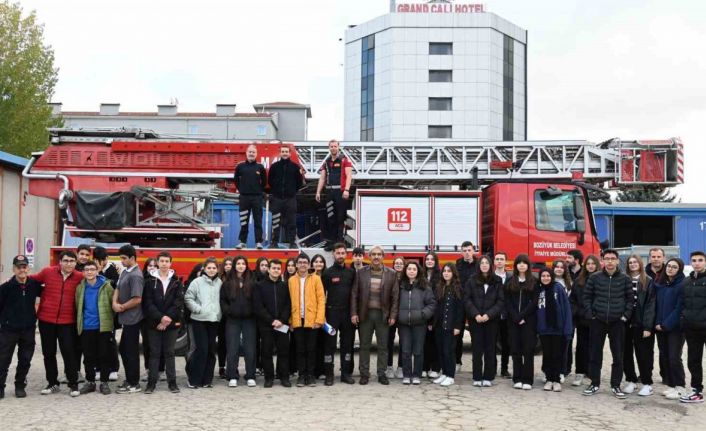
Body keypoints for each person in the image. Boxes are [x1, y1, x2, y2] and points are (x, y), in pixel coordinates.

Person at [582, 248, 633, 399]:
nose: (610, 261)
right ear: (602, 261)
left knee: (618, 355)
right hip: (598, 321)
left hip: (617, 322)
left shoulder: (625, 278)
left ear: (617, 261)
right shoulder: (595, 277)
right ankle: (594, 383)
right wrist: (591, 314)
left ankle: (616, 385)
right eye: (607, 258)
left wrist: (625, 316)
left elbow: (630, 300)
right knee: (595, 354)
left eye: (613, 258)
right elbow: (587, 297)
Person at [32, 250, 83, 397]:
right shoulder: (47, 272)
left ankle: (73, 384)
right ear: (59, 262)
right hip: (46, 320)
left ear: (75, 263)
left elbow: (95, 280)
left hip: (68, 322)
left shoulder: (80, 277)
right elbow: (30, 279)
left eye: (72, 261)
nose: (68, 264)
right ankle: (52, 383)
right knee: (48, 353)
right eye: (65, 261)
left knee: (69, 352)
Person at [351, 246, 399, 385]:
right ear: (369, 256)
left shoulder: (391, 273)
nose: (376, 257)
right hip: (365, 314)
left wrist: (393, 315)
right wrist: (354, 313)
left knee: (383, 346)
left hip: (383, 315)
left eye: (379, 254)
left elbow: (395, 297)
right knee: (364, 345)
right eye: (373, 254)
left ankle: (381, 373)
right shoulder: (361, 273)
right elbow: (354, 294)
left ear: (383, 257)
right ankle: (364, 374)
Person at [0, 255, 43, 399]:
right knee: (3, 360)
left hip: (28, 329)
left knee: (25, 359)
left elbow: (48, 292)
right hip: (8, 329)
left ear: (28, 268)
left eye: (24, 266)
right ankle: (1, 387)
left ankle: (20, 385)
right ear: (14, 269)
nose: (22, 269)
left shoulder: (34, 285)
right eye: (19, 267)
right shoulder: (5, 287)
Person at [142, 251, 184, 394]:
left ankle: (172, 383)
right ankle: (151, 384)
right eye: (162, 261)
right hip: (154, 323)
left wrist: (166, 319)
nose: (164, 264)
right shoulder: (149, 281)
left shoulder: (176, 281)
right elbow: (148, 303)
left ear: (170, 263)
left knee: (169, 353)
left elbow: (178, 302)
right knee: (154, 353)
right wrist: (160, 318)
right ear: (158, 262)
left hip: (171, 324)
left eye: (167, 261)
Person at [75, 260, 115, 396]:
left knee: (104, 355)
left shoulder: (107, 286)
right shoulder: (80, 287)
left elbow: (112, 305)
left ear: (97, 271)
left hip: (103, 327)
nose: (90, 272)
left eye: (92, 269)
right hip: (86, 327)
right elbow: (77, 305)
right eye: (87, 270)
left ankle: (104, 382)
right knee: (88, 356)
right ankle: (90, 382)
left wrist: (109, 321)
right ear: (83, 272)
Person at [464, 255, 504, 387]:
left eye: (487, 263)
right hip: (476, 320)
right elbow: (467, 299)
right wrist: (476, 314)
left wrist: (489, 315)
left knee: (490, 349)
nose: (485, 265)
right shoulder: (471, 280)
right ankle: (477, 376)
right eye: (482, 263)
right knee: (477, 348)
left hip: (491, 321)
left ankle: (488, 376)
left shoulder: (497, 281)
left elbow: (500, 301)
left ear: (491, 265)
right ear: (479, 265)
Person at [288, 253, 326, 387]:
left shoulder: (315, 279)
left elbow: (321, 300)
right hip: (297, 319)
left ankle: (310, 376)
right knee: (300, 349)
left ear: (309, 264)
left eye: (305, 262)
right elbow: (288, 301)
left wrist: (319, 319)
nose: (303, 264)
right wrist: (290, 321)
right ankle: (301, 375)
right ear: (296, 264)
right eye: (300, 262)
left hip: (312, 320)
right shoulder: (291, 280)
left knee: (311, 349)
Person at [184, 257, 222, 389]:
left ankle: (207, 380)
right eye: (209, 268)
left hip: (214, 320)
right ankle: (194, 379)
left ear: (217, 269)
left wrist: (219, 314)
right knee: (201, 350)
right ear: (204, 269)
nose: (211, 270)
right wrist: (197, 309)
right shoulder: (197, 282)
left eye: (214, 268)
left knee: (211, 351)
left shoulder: (219, 283)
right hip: (199, 320)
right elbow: (188, 298)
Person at [253, 259, 292, 388]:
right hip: (266, 325)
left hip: (282, 325)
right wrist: (271, 321)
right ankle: (269, 378)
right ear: (268, 269)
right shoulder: (259, 285)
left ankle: (283, 377)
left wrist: (281, 320)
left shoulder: (285, 285)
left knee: (284, 352)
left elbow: (288, 305)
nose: (276, 270)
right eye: (273, 268)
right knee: (266, 352)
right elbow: (258, 306)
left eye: (278, 268)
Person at [321, 243, 356, 385]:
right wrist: (322, 315)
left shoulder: (351, 273)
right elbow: (321, 295)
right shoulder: (327, 273)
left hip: (347, 313)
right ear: (333, 254)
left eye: (343, 253)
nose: (340, 255)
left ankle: (346, 373)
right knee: (329, 344)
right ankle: (329, 374)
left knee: (347, 344)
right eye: (338, 253)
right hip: (331, 313)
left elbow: (355, 294)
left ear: (346, 254)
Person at [221, 256, 257, 388]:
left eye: (243, 263)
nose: (241, 266)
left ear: (246, 265)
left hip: (249, 320)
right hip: (232, 320)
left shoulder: (252, 282)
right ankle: (232, 376)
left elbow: (256, 300)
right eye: (238, 263)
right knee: (232, 348)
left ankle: (250, 375)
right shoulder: (227, 283)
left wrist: (252, 311)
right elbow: (223, 301)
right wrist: (229, 311)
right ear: (234, 266)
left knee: (250, 349)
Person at [112, 244, 144, 394]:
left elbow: (137, 299)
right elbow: (117, 288)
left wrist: (122, 307)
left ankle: (134, 382)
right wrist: (114, 302)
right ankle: (130, 379)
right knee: (124, 349)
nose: (122, 261)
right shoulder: (125, 272)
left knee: (130, 351)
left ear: (132, 258)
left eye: (124, 258)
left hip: (133, 319)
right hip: (125, 318)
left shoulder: (136, 275)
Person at [397, 261, 435, 385]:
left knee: (418, 351)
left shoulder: (425, 286)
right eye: (409, 269)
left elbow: (432, 303)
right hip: (404, 324)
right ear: (405, 271)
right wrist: (398, 315)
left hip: (419, 324)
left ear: (418, 271)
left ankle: (417, 375)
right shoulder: (400, 286)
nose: (412, 271)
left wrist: (423, 314)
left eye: (414, 269)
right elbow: (394, 302)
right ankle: (407, 375)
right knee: (406, 350)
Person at [623, 254, 656, 397]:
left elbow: (651, 305)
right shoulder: (624, 279)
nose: (633, 264)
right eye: (630, 262)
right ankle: (631, 380)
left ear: (640, 264)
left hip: (641, 323)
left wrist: (648, 327)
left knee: (643, 354)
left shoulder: (648, 281)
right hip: (625, 322)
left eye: (635, 262)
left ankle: (647, 383)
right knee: (626, 353)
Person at [536, 267, 573, 392]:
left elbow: (566, 309)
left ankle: (556, 380)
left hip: (558, 329)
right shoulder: (538, 290)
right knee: (547, 355)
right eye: (543, 276)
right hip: (544, 329)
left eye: (548, 276)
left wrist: (567, 329)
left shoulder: (558, 288)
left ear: (551, 277)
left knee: (557, 354)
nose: (545, 278)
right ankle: (549, 379)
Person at [654, 257, 686, 401]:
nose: (670, 269)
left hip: (675, 329)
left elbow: (679, 309)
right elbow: (657, 306)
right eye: (668, 266)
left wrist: (666, 324)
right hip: (660, 328)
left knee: (674, 358)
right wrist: (657, 323)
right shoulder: (661, 284)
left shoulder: (682, 285)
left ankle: (680, 387)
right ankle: (672, 386)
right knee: (665, 356)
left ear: (679, 270)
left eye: (674, 267)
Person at [504, 254, 536, 390]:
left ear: (528, 265)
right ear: (515, 265)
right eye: (519, 263)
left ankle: (528, 379)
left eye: (524, 263)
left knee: (528, 351)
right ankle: (517, 378)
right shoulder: (510, 281)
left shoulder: (534, 281)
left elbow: (534, 302)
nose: (522, 265)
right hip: (513, 321)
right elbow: (507, 301)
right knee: (515, 350)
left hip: (528, 321)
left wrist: (523, 316)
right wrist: (516, 317)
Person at [315, 139, 353, 249]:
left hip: (340, 192)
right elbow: (322, 178)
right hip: (329, 192)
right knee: (330, 217)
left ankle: (340, 242)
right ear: (329, 148)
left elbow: (349, 175)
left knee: (340, 218)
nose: (333, 148)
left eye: (335, 146)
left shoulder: (344, 160)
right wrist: (318, 192)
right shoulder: (326, 162)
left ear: (338, 147)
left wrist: (346, 190)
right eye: (331, 146)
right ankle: (332, 242)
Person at [570, 254, 600, 387]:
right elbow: (573, 300)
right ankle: (580, 372)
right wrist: (579, 312)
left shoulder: (602, 280)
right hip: (583, 319)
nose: (591, 266)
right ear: (584, 265)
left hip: (598, 319)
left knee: (595, 347)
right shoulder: (579, 281)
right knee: (581, 347)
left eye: (593, 263)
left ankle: (593, 372)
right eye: (588, 264)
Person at [680, 251, 706, 403]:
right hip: (691, 328)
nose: (697, 263)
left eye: (700, 260)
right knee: (693, 360)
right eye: (694, 260)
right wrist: (684, 318)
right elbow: (682, 303)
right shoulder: (687, 281)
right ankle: (697, 390)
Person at [268, 145, 305, 248]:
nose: (284, 153)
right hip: (277, 198)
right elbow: (270, 181)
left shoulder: (295, 167)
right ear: (280, 153)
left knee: (291, 222)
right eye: (283, 151)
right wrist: (276, 191)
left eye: (286, 151)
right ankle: (274, 243)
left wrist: (292, 191)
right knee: (276, 221)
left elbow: (299, 183)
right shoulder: (274, 166)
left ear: (289, 153)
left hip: (290, 199)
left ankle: (292, 243)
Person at [433, 263, 463, 387]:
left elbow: (460, 309)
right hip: (439, 325)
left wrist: (457, 326)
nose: (446, 273)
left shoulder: (458, 288)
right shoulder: (439, 287)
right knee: (441, 350)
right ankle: (444, 373)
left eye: (449, 271)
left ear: (453, 273)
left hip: (451, 326)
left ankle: (450, 376)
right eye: (444, 271)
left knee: (449, 351)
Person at [234, 144, 267, 249]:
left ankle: (258, 242)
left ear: (256, 154)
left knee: (258, 221)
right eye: (250, 152)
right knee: (244, 221)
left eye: (253, 152)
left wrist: (258, 191)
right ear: (246, 153)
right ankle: (242, 242)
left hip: (257, 198)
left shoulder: (260, 167)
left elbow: (264, 182)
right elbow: (236, 180)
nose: (251, 154)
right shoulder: (240, 166)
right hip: (244, 198)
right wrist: (242, 190)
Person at [455, 241, 477, 372]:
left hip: (474, 304)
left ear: (473, 251)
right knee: (458, 334)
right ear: (461, 252)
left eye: (469, 250)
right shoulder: (458, 264)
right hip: (460, 304)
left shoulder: (480, 264)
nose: (467, 252)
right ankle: (457, 361)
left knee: (476, 335)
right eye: (465, 250)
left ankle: (476, 363)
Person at [140, 258, 162, 378]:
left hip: (159, 318)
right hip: (145, 319)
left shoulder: (161, 281)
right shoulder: (142, 280)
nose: (152, 267)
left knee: (161, 345)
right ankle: (148, 369)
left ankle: (161, 370)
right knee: (147, 345)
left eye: (154, 266)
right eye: (149, 265)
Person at [552, 259, 572, 383]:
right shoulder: (547, 280)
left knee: (564, 348)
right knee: (549, 349)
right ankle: (548, 372)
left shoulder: (569, 284)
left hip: (564, 320)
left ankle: (561, 371)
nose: (559, 269)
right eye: (556, 266)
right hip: (550, 320)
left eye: (561, 267)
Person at [422, 252, 441, 379]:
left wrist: (432, 320)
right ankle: (424, 367)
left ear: (435, 261)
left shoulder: (440, 277)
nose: (429, 261)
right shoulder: (421, 275)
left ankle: (435, 368)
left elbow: (438, 298)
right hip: (423, 313)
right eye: (427, 259)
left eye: (432, 259)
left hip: (435, 314)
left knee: (435, 342)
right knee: (423, 343)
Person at [387, 256, 405, 379]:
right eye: (396, 263)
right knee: (389, 341)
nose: (398, 265)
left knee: (403, 342)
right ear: (393, 265)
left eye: (400, 263)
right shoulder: (389, 278)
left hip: (403, 315)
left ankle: (401, 367)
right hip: (391, 315)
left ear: (404, 266)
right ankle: (389, 367)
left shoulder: (407, 279)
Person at [217, 256, 235, 380]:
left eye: (230, 264)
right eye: (226, 264)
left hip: (232, 315)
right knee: (222, 342)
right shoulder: (218, 280)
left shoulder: (237, 279)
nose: (228, 266)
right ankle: (221, 366)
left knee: (232, 343)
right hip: (220, 316)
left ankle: (232, 367)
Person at [494, 252, 511, 379]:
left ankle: (504, 369)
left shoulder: (511, 277)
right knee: (491, 344)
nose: (499, 261)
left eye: (502, 259)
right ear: (494, 262)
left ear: (506, 262)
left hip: (507, 316)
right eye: (497, 259)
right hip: (493, 315)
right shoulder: (489, 277)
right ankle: (492, 369)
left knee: (506, 344)